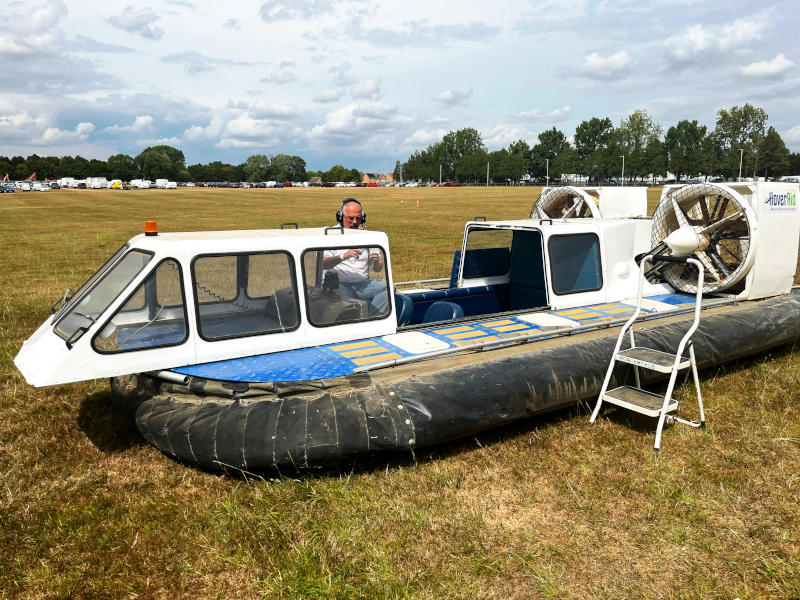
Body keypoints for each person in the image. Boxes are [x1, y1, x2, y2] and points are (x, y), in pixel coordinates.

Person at [322, 198, 389, 315]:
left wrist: (375, 261)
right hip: (339, 284)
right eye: (350, 218)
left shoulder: (367, 236)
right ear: (341, 217)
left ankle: (373, 319)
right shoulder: (331, 235)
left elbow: (378, 269)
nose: (354, 222)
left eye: (358, 218)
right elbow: (323, 263)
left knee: (387, 287)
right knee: (350, 303)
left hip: (363, 284)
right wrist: (343, 256)